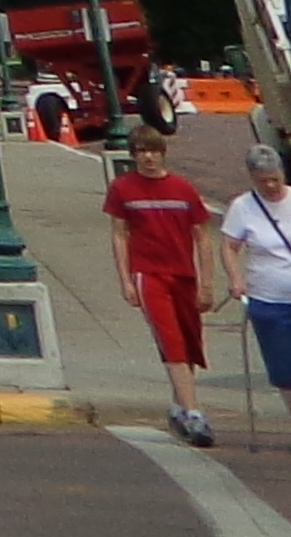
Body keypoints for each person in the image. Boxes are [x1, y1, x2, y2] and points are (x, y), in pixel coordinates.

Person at [103, 137, 224, 448]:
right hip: (148, 273)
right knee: (170, 340)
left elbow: (202, 237)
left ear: (163, 154)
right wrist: (126, 280)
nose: (149, 158)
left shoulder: (183, 190)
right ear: (134, 156)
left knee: (189, 340)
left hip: (184, 274)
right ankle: (194, 413)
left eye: (154, 152)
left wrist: (207, 282)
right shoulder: (123, 189)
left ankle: (179, 405)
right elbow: (118, 235)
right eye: (142, 152)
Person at [223, 147, 291, 404]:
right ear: (253, 177)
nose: (272, 185)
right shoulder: (243, 207)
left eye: (276, 178)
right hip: (269, 301)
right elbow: (229, 246)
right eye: (264, 181)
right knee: (285, 373)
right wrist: (235, 278)